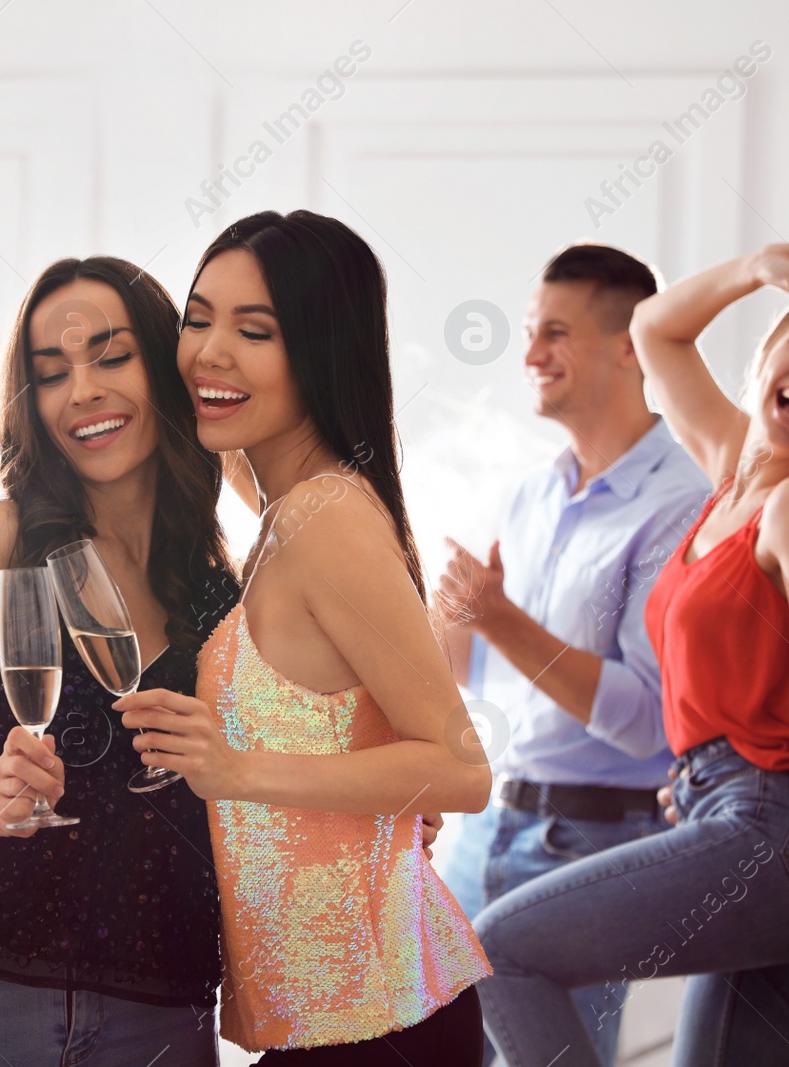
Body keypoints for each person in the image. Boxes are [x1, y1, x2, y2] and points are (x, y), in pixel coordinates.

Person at [472, 237, 789, 1067]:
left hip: (783, 836)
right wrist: (761, 267)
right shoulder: (731, 466)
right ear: (767, 355)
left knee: (499, 949)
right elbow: (654, 329)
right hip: (738, 821)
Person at [113, 209, 493, 1066]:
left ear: (321, 350)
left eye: (255, 330)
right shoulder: (288, 508)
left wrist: (238, 770)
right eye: (198, 318)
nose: (211, 350)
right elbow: (201, 441)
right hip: (331, 1021)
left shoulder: (326, 517)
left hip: (379, 1023)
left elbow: (463, 768)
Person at [0, 257, 237, 1067]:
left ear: (165, 365)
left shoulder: (221, 588)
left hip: (160, 1005)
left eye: (112, 357)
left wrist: (385, 813)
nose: (83, 392)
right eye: (51, 373)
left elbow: (252, 785)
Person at [438, 243, 710, 1066]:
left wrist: (496, 615)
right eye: (529, 332)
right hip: (486, 829)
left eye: (554, 333)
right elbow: (484, 674)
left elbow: (649, 718)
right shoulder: (529, 493)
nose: (528, 355)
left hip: (593, 844)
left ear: (631, 345)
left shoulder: (685, 500)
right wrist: (442, 608)